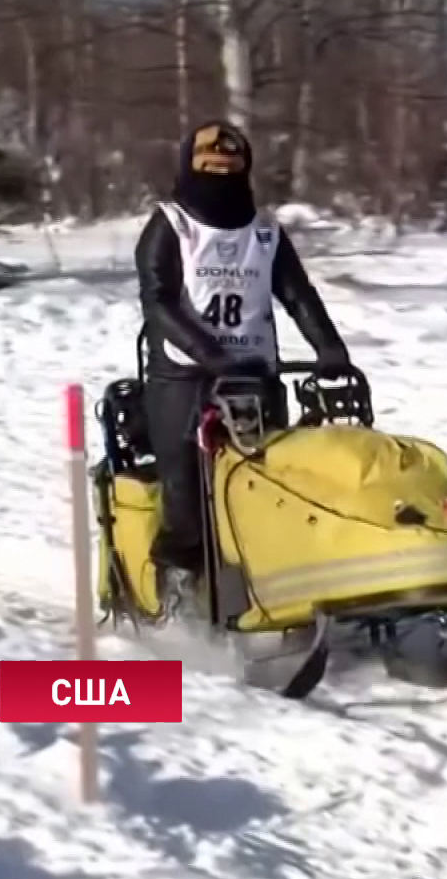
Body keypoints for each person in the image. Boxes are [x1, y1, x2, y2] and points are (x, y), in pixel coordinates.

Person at [134, 120, 350, 617]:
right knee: (186, 499)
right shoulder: (171, 224)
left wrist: (329, 347)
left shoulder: (266, 231)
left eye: (230, 171)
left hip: (255, 379)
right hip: (184, 381)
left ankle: (274, 592)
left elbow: (296, 293)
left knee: (267, 490)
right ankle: (179, 602)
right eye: (211, 170)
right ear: (191, 167)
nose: (221, 179)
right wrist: (209, 353)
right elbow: (158, 303)